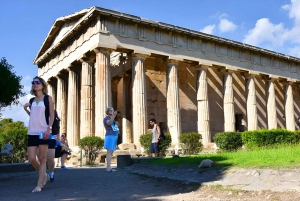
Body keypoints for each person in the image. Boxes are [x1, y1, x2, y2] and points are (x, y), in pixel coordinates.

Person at [23, 76, 54, 192]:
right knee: (31, 158)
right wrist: (25, 109)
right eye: (33, 82)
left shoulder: (48, 99)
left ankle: (39, 185)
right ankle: (44, 175)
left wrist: (48, 129)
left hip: (43, 132)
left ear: (43, 85)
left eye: (37, 82)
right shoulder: (31, 100)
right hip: (32, 132)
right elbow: (33, 117)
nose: (35, 84)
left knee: (42, 158)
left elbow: (51, 115)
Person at [103, 107, 120, 172]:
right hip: (110, 136)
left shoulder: (112, 119)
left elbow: (117, 125)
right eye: (111, 110)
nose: (112, 111)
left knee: (111, 152)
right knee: (109, 152)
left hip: (114, 136)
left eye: (113, 110)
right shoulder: (106, 118)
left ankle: (108, 167)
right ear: (108, 112)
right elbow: (109, 123)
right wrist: (114, 115)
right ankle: (108, 168)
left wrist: (116, 122)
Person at [47, 110, 60, 182]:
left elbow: (57, 127)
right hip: (41, 137)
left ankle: (51, 172)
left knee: (51, 159)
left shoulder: (54, 116)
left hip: (51, 138)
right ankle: (43, 175)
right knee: (42, 159)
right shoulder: (41, 114)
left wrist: (58, 136)